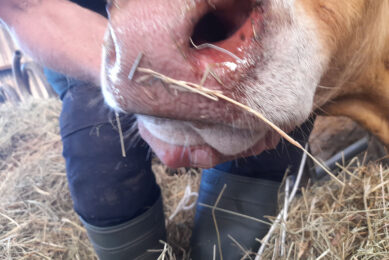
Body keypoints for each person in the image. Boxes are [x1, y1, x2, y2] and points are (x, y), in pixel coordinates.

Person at [0, 1, 313, 259]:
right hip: (87, 26)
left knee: (267, 128)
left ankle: (226, 249)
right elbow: (26, 6)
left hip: (247, 21)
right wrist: (134, 75)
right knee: (99, 152)